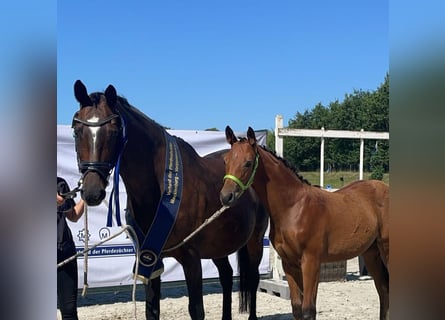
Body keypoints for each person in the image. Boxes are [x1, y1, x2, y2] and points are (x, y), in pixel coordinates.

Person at [57, 176, 85, 320]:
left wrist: (86, 196)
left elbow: (73, 216)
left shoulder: (60, 183)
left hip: (64, 252)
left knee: (69, 311)